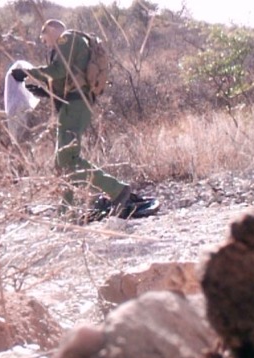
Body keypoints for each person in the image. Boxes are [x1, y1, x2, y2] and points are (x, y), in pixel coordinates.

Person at [11, 19, 156, 221]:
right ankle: (67, 212)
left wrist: (27, 72)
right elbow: (65, 79)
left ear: (51, 30)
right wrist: (44, 91)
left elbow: (58, 71)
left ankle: (116, 190)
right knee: (64, 161)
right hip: (75, 104)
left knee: (67, 159)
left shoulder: (67, 39)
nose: (45, 43)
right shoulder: (75, 43)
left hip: (75, 105)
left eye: (44, 38)